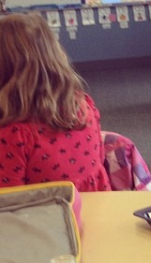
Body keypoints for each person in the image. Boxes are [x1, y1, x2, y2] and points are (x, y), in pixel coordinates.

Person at [0, 13, 111, 192]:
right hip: (97, 209)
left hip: (49, 217)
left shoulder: (13, 134)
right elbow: (99, 158)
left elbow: (8, 202)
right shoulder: (83, 107)